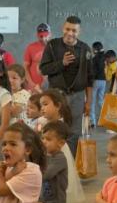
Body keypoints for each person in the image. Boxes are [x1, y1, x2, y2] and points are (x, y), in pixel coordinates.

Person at [39, 16, 94, 159]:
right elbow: (44, 69)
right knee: (54, 130)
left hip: (78, 95)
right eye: (68, 29)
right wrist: (61, 63)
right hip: (57, 94)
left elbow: (90, 77)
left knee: (74, 132)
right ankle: (52, 162)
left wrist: (88, 102)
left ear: (79, 32)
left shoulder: (84, 48)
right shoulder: (52, 45)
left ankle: (68, 165)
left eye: (74, 30)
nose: (70, 33)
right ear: (63, 28)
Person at [39, 89, 85, 203]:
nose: (42, 108)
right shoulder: (43, 121)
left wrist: (39, 129)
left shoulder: (58, 124)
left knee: (55, 178)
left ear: (57, 106)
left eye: (45, 104)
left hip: (55, 154)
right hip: (46, 154)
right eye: (41, 105)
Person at [24, 23, 51, 93]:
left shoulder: (54, 47)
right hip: (34, 86)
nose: (43, 39)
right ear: (37, 36)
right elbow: (26, 68)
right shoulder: (31, 47)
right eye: (41, 37)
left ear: (49, 34)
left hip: (50, 86)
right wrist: (32, 84)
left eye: (45, 36)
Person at [91, 41, 107, 125]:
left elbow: (94, 71)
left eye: (93, 48)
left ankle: (92, 121)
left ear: (96, 49)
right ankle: (108, 119)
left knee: (92, 101)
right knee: (101, 101)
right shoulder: (105, 57)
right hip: (103, 81)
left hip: (96, 80)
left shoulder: (95, 58)